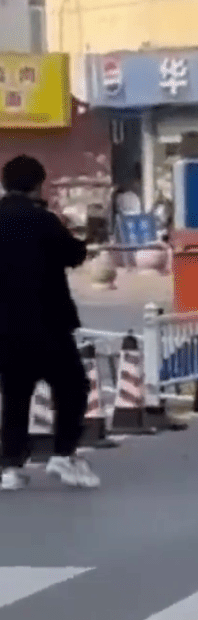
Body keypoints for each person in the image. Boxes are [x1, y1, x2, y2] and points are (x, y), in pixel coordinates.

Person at [0, 155, 100, 490]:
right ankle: (63, 454)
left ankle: (11, 466)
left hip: (6, 327)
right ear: (37, 184)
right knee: (72, 387)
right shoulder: (42, 220)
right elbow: (73, 255)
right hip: (48, 323)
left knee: (15, 395)